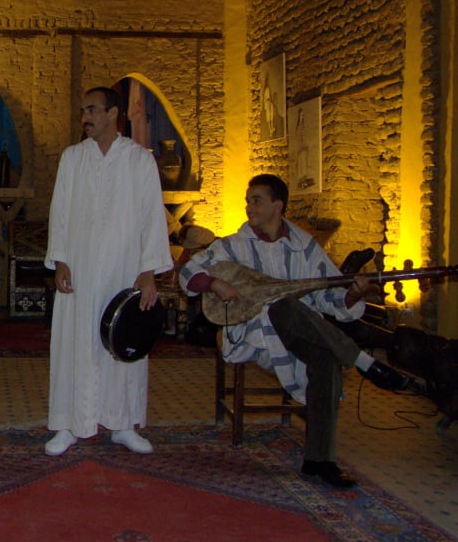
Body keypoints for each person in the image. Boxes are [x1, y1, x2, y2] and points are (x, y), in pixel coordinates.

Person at [179, 173, 418, 488]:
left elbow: (328, 294)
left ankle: (320, 460)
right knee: (284, 306)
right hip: (256, 332)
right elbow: (186, 272)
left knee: (325, 360)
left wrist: (354, 293)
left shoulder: (304, 246)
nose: (248, 206)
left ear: (278, 205)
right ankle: (363, 361)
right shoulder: (234, 246)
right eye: (248, 200)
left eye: (256, 200)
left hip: (301, 331)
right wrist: (214, 282)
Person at [43, 86, 173, 456]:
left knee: (122, 341)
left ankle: (123, 423)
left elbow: (152, 216)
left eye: (92, 110)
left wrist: (148, 271)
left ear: (113, 113)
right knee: (75, 342)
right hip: (80, 271)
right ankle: (69, 423)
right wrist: (61, 259)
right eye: (83, 110)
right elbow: (60, 211)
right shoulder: (72, 158)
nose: (85, 117)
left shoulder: (139, 161)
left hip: (124, 269)